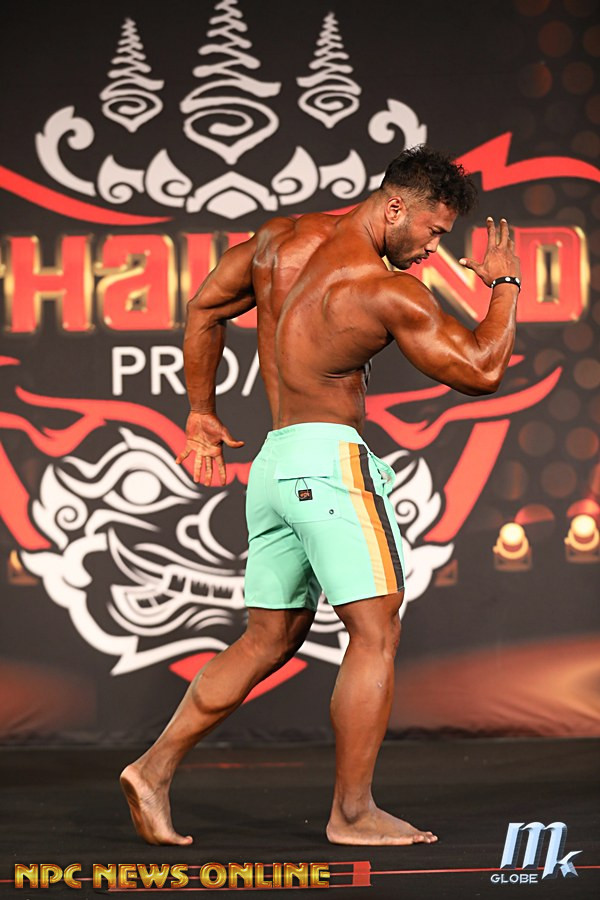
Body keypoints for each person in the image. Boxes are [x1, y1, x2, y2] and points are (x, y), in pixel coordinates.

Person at [120, 146, 521, 847]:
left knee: (267, 637)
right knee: (376, 632)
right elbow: (482, 371)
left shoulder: (281, 243)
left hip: (274, 462)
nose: (434, 249)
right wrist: (506, 283)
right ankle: (354, 813)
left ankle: (151, 770)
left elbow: (204, 306)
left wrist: (201, 410)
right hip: (329, 465)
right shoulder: (382, 287)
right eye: (432, 231)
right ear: (394, 208)